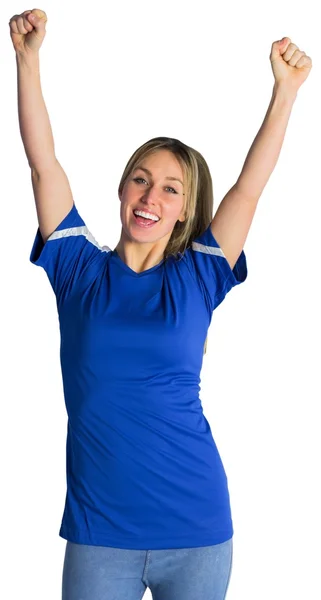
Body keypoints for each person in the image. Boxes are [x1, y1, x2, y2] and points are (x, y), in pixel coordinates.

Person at [9, 8, 312, 600]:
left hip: (197, 530)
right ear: (122, 189)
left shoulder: (198, 276)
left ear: (184, 208)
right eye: (140, 179)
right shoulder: (77, 270)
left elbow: (249, 186)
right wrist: (27, 61)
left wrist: (285, 92)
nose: (151, 197)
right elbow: (43, 162)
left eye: (170, 189)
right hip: (100, 536)